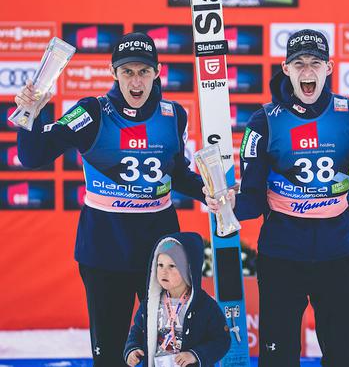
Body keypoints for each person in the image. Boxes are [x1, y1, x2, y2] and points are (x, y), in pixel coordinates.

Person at [204, 29, 349, 367]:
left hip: (336, 255)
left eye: (315, 63)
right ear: (286, 69)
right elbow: (251, 199)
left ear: (329, 67)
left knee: (346, 357)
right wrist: (227, 201)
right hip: (281, 257)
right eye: (299, 64)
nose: (307, 72)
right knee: (278, 359)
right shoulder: (263, 122)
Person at [15, 32, 208, 366]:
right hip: (104, 246)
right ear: (113, 72)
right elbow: (34, 156)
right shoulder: (92, 112)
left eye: (144, 72)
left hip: (159, 246)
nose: (136, 81)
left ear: (157, 72)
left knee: (168, 349)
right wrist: (31, 114)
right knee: (111, 350)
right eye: (128, 71)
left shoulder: (173, 115)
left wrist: (211, 191)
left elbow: (176, 173)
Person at [124, 232, 231, 367]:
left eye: (172, 266)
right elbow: (137, 330)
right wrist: (132, 349)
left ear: (188, 270)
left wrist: (195, 355)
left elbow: (222, 340)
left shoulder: (205, 305)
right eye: (160, 265)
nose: (163, 271)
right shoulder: (150, 303)